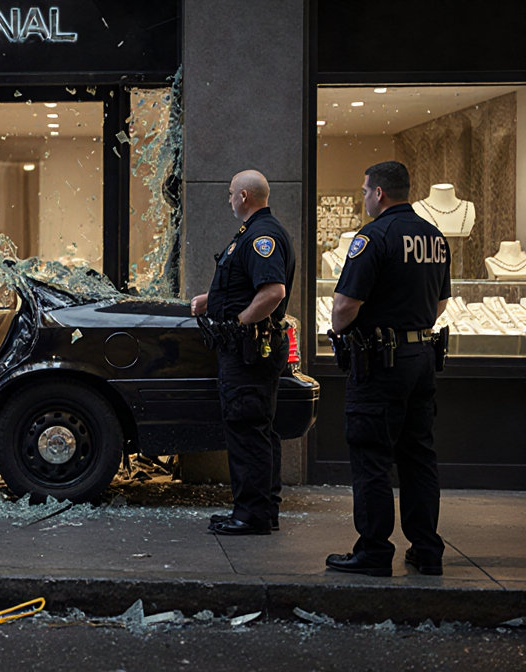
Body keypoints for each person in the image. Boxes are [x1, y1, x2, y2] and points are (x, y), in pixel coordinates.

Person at [324, 161, 450, 577]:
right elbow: (440, 305)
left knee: (372, 455)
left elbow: (344, 307)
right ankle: (426, 548)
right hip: (421, 358)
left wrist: (340, 329)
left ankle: (374, 550)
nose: (363, 198)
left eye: (364, 191)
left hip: (381, 362)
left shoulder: (373, 236)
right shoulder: (434, 237)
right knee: (418, 454)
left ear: (379, 193)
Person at [192, 170, 295, 536]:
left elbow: (272, 292)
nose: (229, 199)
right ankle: (261, 510)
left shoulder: (261, 236)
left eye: (231, 193)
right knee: (259, 429)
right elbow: (249, 285)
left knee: (247, 427)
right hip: (251, 348)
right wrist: (211, 301)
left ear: (245, 195)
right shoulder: (253, 233)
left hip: (249, 350)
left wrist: (237, 324)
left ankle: (250, 515)